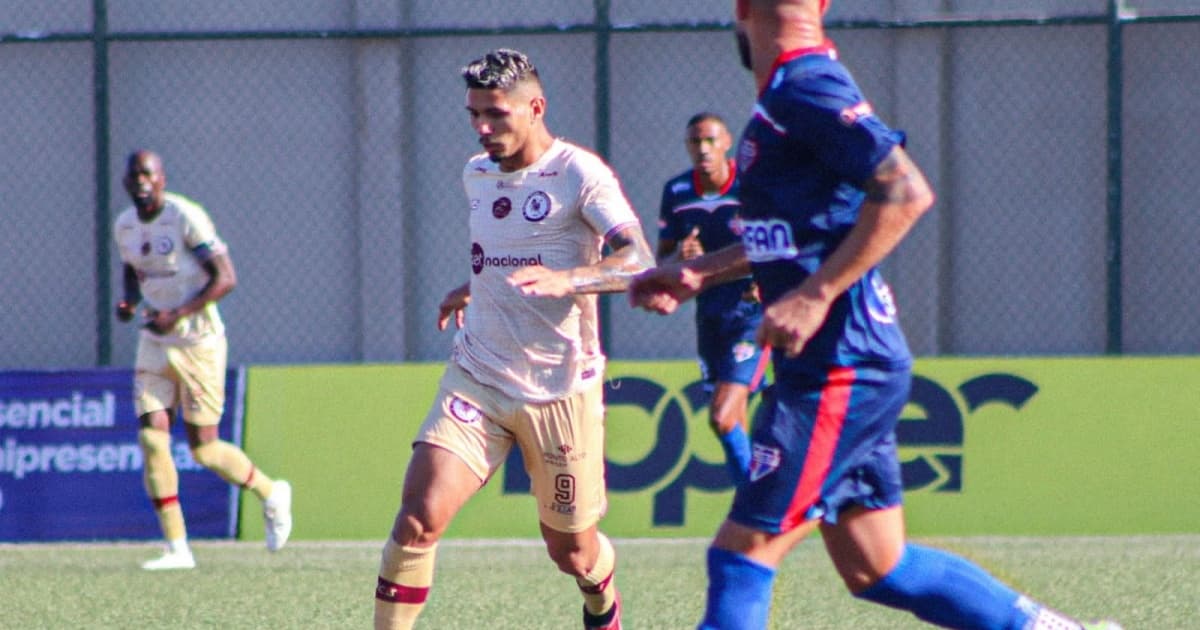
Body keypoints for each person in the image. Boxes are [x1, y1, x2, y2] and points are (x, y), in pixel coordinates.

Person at [629, 1, 1123, 629]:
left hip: (841, 367)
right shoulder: (790, 91)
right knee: (876, 564)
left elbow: (905, 190)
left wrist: (815, 294)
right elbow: (793, 235)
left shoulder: (806, 86)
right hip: (842, 363)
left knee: (742, 554)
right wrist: (700, 270)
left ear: (741, 9)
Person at [372, 49, 653, 630]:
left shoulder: (581, 173)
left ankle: (603, 603)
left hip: (558, 390)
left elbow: (638, 258)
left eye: (496, 114)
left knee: (571, 552)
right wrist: (473, 288)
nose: (482, 127)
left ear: (535, 107)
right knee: (418, 517)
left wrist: (569, 279)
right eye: (474, 113)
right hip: (479, 376)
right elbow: (505, 257)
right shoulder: (477, 173)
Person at [114, 150, 293, 570]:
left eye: (148, 174)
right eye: (134, 175)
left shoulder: (184, 217)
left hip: (198, 341)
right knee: (151, 438)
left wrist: (176, 314)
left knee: (204, 449)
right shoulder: (124, 225)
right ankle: (178, 548)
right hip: (154, 342)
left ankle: (271, 493)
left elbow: (225, 277)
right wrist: (128, 302)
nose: (141, 181)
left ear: (161, 179)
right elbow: (130, 269)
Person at [657, 112, 769, 488]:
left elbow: (777, 242)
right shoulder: (677, 193)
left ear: (726, 143)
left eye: (710, 140)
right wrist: (681, 258)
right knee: (733, 422)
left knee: (722, 416)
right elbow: (664, 261)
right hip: (710, 315)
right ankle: (757, 509)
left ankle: (757, 502)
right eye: (695, 142)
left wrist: (769, 281)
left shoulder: (752, 186)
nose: (703, 149)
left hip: (753, 313)